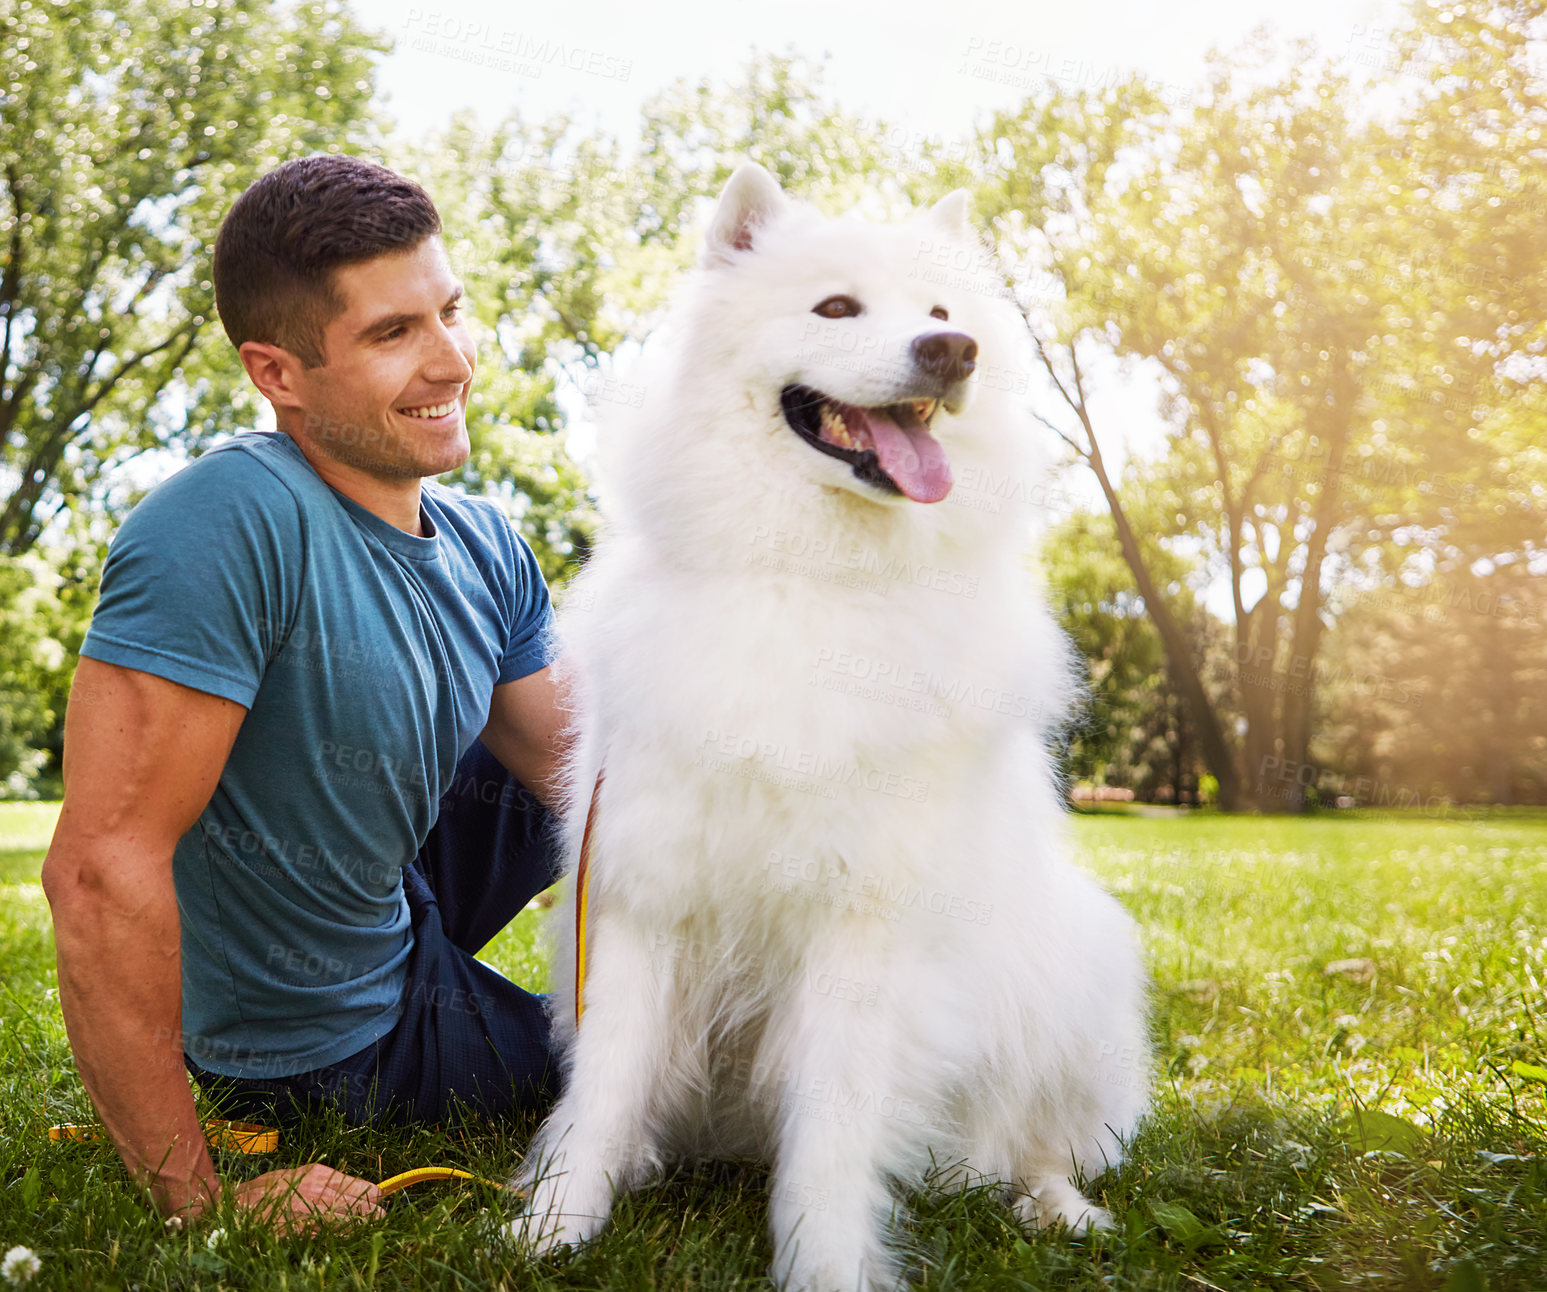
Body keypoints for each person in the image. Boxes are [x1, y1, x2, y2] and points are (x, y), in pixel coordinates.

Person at [41, 155, 571, 1232]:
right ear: (276, 372)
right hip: (320, 1039)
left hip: (399, 892)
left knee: (654, 760)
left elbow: (586, 771)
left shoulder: (481, 540)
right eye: (393, 334)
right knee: (653, 1091)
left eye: (449, 311)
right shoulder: (223, 523)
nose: (451, 360)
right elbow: (99, 871)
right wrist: (200, 1198)